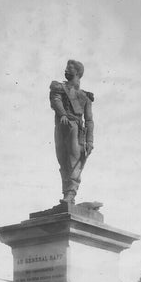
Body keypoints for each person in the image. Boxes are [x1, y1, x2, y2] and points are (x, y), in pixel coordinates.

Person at [49, 60, 94, 204]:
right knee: (62, 161)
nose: (66, 70)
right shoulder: (59, 87)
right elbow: (56, 100)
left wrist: (90, 141)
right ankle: (66, 194)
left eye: (70, 68)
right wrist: (62, 114)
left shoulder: (85, 97)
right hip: (61, 126)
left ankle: (71, 194)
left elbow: (89, 120)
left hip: (75, 129)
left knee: (74, 161)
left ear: (78, 73)